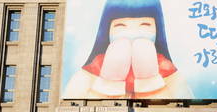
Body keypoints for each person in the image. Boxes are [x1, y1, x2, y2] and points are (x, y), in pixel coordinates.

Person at [64, 0, 193, 99]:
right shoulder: (93, 69)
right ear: (107, 31)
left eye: (145, 25)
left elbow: (185, 105)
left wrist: (150, 82)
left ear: (157, 29)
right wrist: (108, 82)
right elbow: (70, 102)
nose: (133, 33)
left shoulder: (166, 69)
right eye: (120, 25)